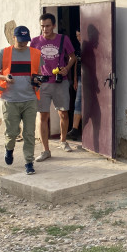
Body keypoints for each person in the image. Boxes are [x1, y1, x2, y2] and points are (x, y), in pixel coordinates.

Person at [0, 25, 41, 175]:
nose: (23, 43)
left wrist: (38, 80)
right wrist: (5, 77)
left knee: (29, 133)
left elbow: (38, 74)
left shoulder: (35, 53)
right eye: (20, 40)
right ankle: (9, 149)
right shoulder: (4, 52)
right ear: (13, 38)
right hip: (10, 99)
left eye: (26, 40)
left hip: (30, 99)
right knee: (12, 133)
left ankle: (29, 162)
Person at [30, 13, 77, 161]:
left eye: (48, 26)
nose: (45, 29)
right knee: (43, 116)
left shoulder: (63, 39)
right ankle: (45, 150)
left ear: (54, 26)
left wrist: (67, 68)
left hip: (60, 82)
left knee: (63, 113)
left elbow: (73, 57)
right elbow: (31, 60)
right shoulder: (35, 41)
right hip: (42, 83)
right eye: (42, 26)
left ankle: (63, 141)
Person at [67, 28, 82, 142]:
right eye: (77, 36)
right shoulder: (78, 48)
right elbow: (76, 64)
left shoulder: (92, 47)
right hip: (81, 78)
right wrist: (75, 79)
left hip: (91, 79)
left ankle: (76, 129)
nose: (78, 38)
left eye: (80, 35)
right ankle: (75, 129)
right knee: (78, 102)